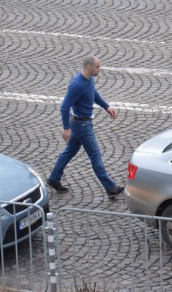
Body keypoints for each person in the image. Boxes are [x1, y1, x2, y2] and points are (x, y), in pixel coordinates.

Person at [47, 55, 124, 197]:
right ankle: (110, 187)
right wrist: (66, 128)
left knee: (69, 152)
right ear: (89, 67)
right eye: (97, 67)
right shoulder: (77, 84)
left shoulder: (90, 79)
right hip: (81, 125)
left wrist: (106, 107)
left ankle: (53, 178)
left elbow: (93, 94)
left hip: (81, 123)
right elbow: (64, 107)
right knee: (95, 155)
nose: (99, 70)